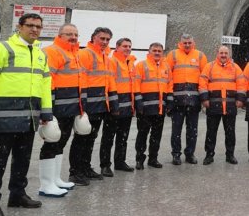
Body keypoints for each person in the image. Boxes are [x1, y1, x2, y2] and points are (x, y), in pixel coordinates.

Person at [0, 13, 52, 215]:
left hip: (29, 119)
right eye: (30, 25)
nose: (35, 29)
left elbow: (45, 85)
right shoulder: (0, 49)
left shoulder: (40, 54)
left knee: (22, 159)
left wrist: (46, 112)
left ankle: (17, 195)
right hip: (3, 118)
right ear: (19, 26)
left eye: (38, 26)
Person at [38, 23, 86, 196]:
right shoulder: (52, 51)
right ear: (60, 35)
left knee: (61, 142)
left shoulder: (75, 53)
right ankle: (46, 184)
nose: (73, 37)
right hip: (57, 108)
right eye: (69, 34)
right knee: (51, 142)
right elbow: (46, 81)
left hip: (70, 108)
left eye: (75, 34)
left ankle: (55, 179)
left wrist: (81, 106)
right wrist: (47, 110)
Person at [70, 27, 118, 183]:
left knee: (90, 139)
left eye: (107, 39)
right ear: (93, 38)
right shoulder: (85, 54)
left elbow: (109, 82)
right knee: (81, 138)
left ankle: (86, 168)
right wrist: (82, 105)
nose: (104, 42)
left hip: (100, 105)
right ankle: (75, 172)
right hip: (88, 105)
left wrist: (112, 103)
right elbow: (80, 79)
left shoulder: (105, 57)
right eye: (101, 38)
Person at [99, 38, 141, 176]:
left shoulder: (130, 63)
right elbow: (109, 84)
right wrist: (113, 106)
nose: (127, 48)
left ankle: (120, 162)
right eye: (124, 46)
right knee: (108, 138)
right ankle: (105, 165)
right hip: (114, 107)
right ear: (117, 47)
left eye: (129, 46)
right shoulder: (112, 62)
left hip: (127, 108)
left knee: (123, 138)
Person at [199, 45, 246, 165]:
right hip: (213, 105)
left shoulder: (235, 67)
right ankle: (209, 155)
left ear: (229, 54)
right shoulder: (209, 67)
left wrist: (240, 99)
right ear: (217, 54)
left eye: (226, 53)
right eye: (221, 53)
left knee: (230, 132)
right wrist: (204, 99)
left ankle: (230, 155)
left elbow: (241, 84)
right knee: (211, 131)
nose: (223, 55)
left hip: (230, 106)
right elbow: (203, 83)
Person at [165, 34, 208, 165]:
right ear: (180, 43)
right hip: (177, 101)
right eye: (185, 43)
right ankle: (176, 154)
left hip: (194, 101)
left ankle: (190, 154)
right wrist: (170, 97)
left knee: (192, 130)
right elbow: (168, 76)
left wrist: (203, 98)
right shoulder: (172, 55)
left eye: (189, 42)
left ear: (193, 43)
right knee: (176, 130)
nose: (187, 45)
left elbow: (204, 78)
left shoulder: (200, 56)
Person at [135, 42, 172, 169]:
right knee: (142, 134)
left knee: (156, 135)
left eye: (159, 51)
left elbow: (169, 84)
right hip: (145, 108)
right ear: (149, 52)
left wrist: (169, 101)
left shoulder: (166, 66)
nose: (157, 53)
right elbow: (136, 84)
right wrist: (138, 102)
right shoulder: (141, 65)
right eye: (154, 50)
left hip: (160, 108)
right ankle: (139, 159)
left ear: (162, 53)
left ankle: (153, 159)